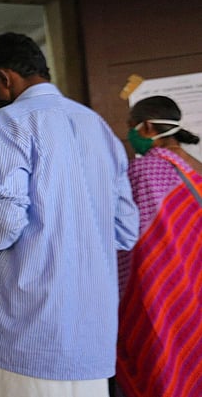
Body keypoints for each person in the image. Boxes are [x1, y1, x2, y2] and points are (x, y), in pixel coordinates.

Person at [0, 32, 139, 397]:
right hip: (91, 335)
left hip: (23, 332)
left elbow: (3, 226)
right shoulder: (98, 126)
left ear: (4, 79)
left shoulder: (9, 123)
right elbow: (125, 229)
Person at [116, 95, 202, 397]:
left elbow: (128, 236)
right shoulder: (196, 166)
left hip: (160, 289)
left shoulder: (143, 171)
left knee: (162, 360)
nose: (129, 134)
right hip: (195, 283)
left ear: (148, 126)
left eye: (131, 127)